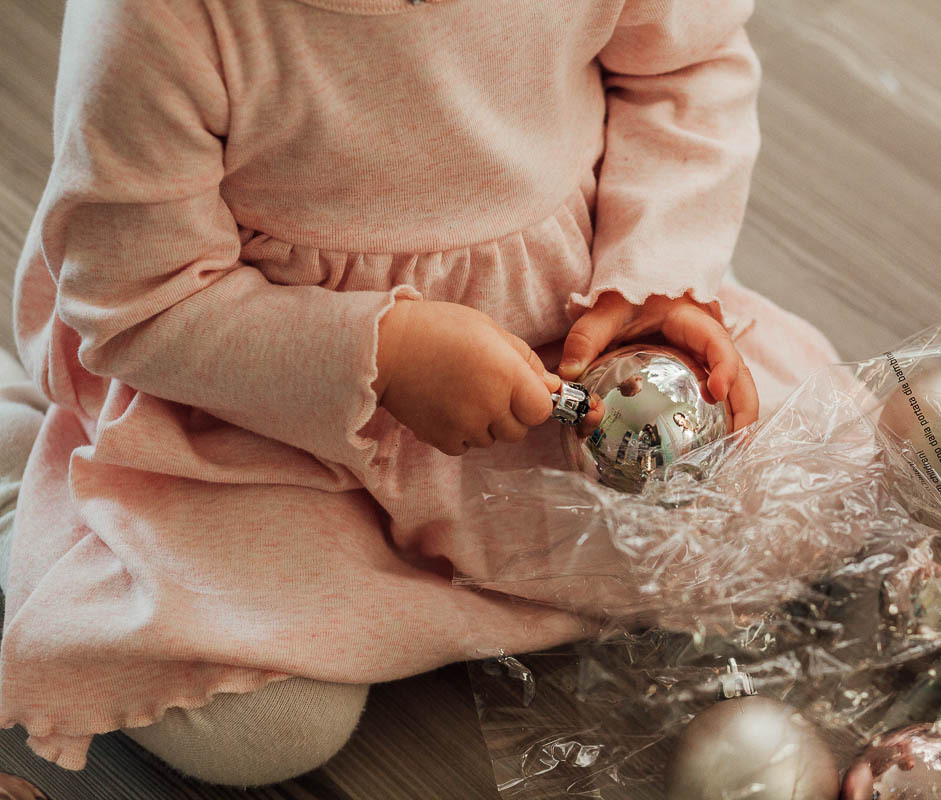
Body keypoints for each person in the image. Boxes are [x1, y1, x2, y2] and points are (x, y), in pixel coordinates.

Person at [0, 0, 840, 788]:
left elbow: (684, 72)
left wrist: (655, 282)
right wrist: (378, 354)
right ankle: (29, 494)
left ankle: (395, 604)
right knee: (266, 732)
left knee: (818, 498)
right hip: (271, 404)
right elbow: (143, 299)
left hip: (568, 331)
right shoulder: (162, 22)